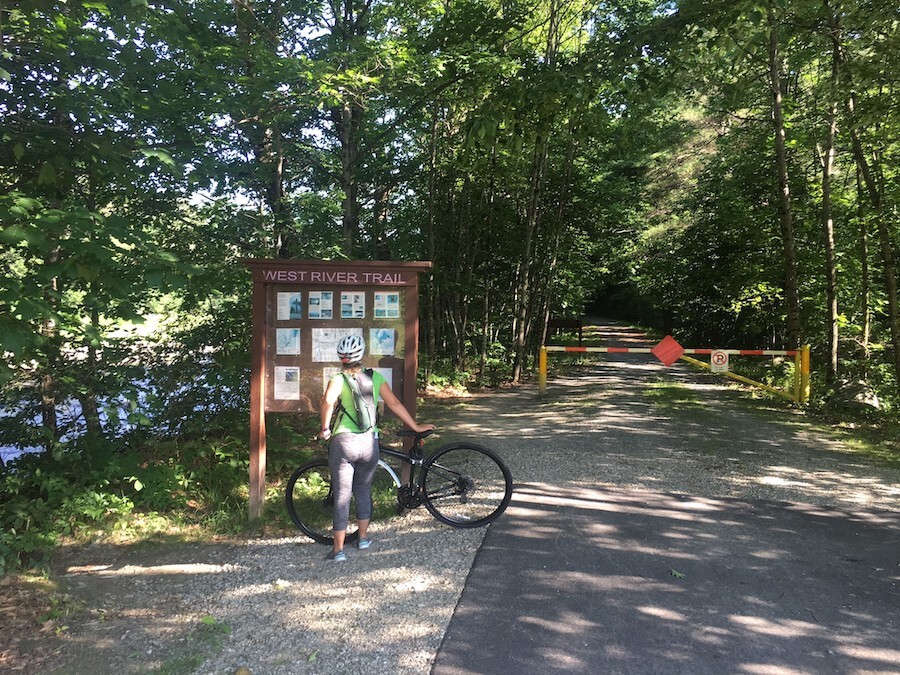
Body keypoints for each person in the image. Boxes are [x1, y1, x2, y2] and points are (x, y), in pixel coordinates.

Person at [319, 335, 434, 562]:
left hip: (344, 442)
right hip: (368, 443)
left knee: (342, 495)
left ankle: (338, 550)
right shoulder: (376, 378)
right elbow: (394, 403)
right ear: (360, 355)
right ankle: (362, 539)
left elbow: (328, 402)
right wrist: (415, 426)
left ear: (341, 358)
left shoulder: (338, 379)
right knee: (363, 491)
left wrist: (324, 428)